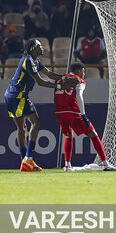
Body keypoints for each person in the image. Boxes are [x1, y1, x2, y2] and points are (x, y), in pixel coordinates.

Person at [4, 39, 77, 171]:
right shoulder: (28, 60)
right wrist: (60, 85)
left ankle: (25, 162)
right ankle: (28, 159)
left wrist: (64, 78)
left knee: (22, 129)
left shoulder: (35, 61)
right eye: (39, 45)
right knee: (36, 123)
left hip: (15, 95)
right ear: (33, 48)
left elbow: (49, 74)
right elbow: (40, 82)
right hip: (17, 96)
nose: (42, 47)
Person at [55, 63, 116, 171]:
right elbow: (79, 96)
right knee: (93, 134)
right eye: (83, 72)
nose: (84, 74)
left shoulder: (60, 79)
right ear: (79, 71)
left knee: (69, 135)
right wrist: (83, 115)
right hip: (73, 112)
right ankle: (105, 162)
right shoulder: (79, 80)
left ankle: (67, 165)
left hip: (59, 113)